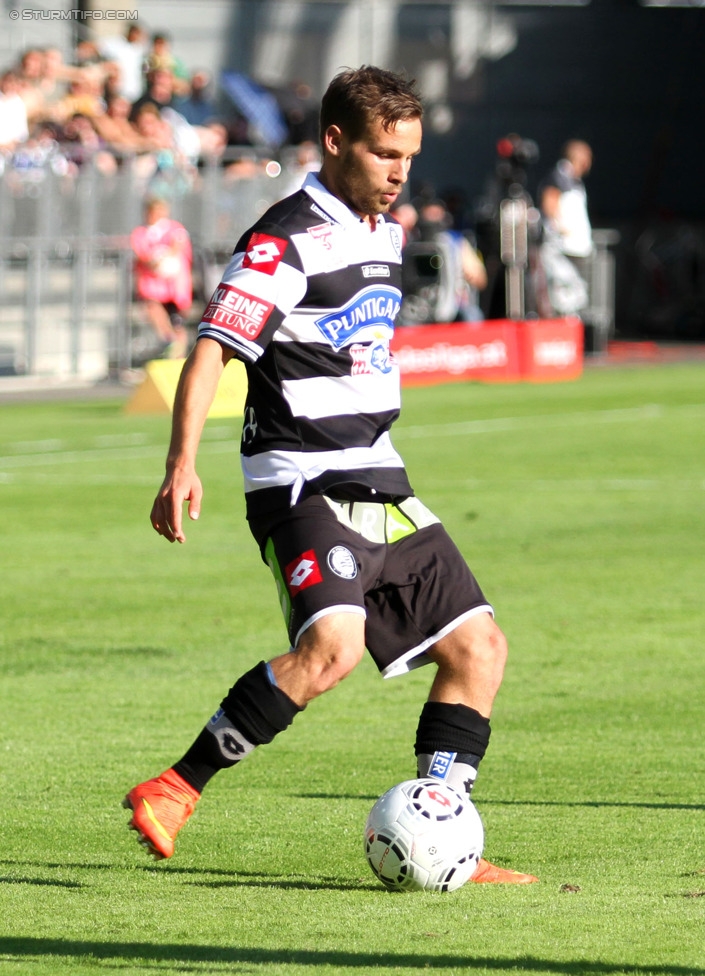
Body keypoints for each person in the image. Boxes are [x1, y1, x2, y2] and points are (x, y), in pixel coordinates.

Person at [123, 65, 537, 885]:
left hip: (381, 478)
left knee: (478, 649)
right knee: (331, 649)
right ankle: (174, 787)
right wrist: (180, 464)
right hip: (302, 484)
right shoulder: (285, 239)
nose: (398, 172)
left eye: (409, 157)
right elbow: (213, 346)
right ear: (335, 140)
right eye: (385, 153)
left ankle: (447, 835)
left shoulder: (383, 233)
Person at [130, 197, 192, 357]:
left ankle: (179, 356)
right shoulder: (141, 233)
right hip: (153, 287)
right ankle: (168, 340)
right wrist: (154, 262)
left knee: (177, 321)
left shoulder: (175, 229)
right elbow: (142, 255)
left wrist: (166, 256)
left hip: (175, 286)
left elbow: (178, 245)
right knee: (154, 309)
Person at [539, 139, 594, 317]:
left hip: (574, 247)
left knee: (575, 290)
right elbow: (549, 202)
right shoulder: (558, 176)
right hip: (560, 247)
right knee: (565, 290)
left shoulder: (573, 179)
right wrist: (560, 227)